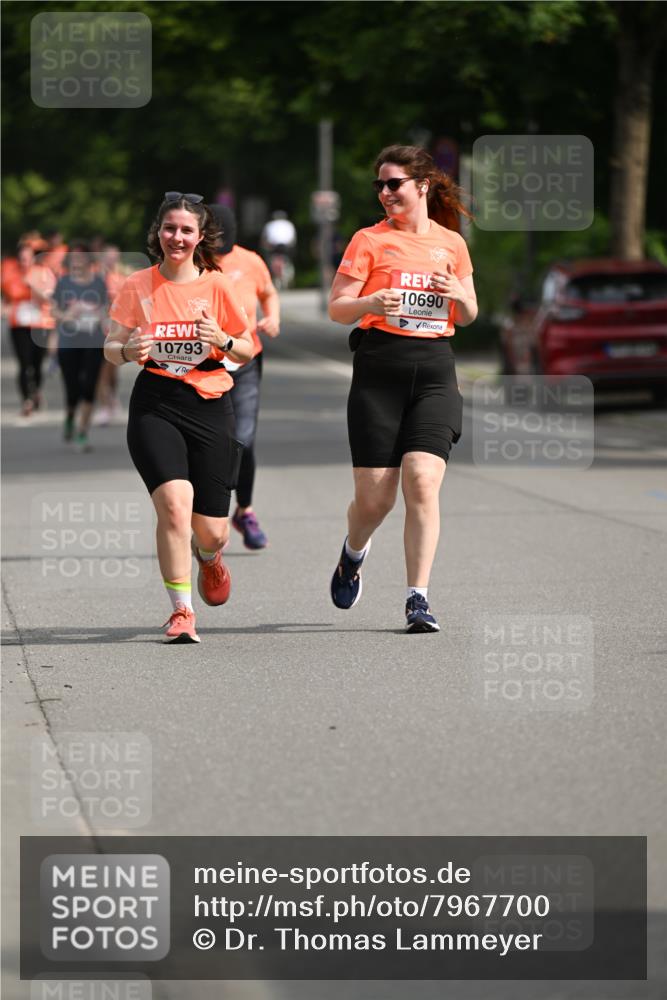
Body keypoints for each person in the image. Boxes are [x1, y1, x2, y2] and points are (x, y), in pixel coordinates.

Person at [328, 145, 478, 633]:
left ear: (422, 186)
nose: (385, 193)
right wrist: (370, 299)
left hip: (434, 368)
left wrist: (458, 296)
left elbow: (470, 312)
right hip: (379, 368)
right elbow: (338, 307)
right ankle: (353, 553)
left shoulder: (451, 243)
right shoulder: (368, 240)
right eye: (380, 185)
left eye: (393, 184)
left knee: (422, 480)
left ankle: (419, 598)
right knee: (375, 502)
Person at [105, 192, 254, 643]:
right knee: (173, 507)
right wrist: (129, 350)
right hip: (156, 402)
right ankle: (181, 611)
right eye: (170, 228)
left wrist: (223, 340)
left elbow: (246, 349)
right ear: (158, 233)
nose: (177, 237)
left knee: (211, 531)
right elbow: (111, 348)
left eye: (187, 230)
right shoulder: (138, 286)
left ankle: (207, 557)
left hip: (210, 403)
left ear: (200, 236)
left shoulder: (218, 285)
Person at [209, 204, 280, 549]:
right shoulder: (193, 262)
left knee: (245, 440)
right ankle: (209, 515)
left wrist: (274, 317)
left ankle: (245, 510)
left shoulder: (250, 261)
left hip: (246, 360)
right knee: (213, 442)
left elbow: (268, 293)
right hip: (205, 365)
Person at [52, 242, 107, 450]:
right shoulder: (63, 282)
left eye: (81, 258)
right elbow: (54, 311)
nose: (77, 262)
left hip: (93, 341)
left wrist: (97, 314)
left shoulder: (99, 283)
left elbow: (106, 310)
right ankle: (69, 417)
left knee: (89, 387)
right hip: (68, 342)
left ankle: (82, 431)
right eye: (73, 258)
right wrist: (67, 315)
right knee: (72, 388)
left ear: (88, 260)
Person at [1, 239, 55, 416]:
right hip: (19, 324)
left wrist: (31, 284)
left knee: (37, 363)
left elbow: (49, 298)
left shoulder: (43, 272)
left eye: (27, 257)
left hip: (40, 324)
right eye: (21, 258)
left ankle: (36, 391)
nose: (24, 261)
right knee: (24, 363)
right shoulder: (11, 273)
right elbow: (7, 296)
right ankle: (27, 400)